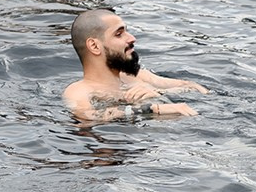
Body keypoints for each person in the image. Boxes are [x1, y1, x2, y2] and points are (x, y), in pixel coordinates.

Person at [62, 7, 203, 122]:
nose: (132, 38)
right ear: (94, 46)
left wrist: (157, 93)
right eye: (119, 34)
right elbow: (87, 116)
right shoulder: (79, 91)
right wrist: (153, 108)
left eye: (127, 32)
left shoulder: (137, 76)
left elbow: (195, 88)